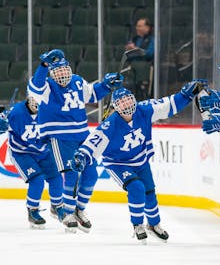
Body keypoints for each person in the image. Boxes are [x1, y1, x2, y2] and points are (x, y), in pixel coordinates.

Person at [71, 81, 207, 243]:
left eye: (128, 100)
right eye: (121, 102)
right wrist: (81, 156)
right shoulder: (109, 125)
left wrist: (186, 95)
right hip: (118, 164)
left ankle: (154, 225)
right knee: (136, 188)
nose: (126, 104)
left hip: (141, 161)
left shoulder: (144, 109)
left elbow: (168, 105)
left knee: (149, 193)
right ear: (116, 106)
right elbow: (92, 144)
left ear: (134, 100)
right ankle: (137, 225)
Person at [28, 49, 123, 232]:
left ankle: (79, 209)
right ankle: (67, 212)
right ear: (52, 73)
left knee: (91, 174)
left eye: (65, 70)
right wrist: (43, 66)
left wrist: (107, 85)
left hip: (81, 135)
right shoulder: (46, 86)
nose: (63, 75)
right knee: (71, 173)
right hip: (59, 137)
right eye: (58, 71)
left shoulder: (78, 81)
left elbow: (93, 94)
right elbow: (34, 88)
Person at [0, 96, 72, 230]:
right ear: (29, 98)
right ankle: (32, 211)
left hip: (44, 152)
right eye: (36, 98)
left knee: (56, 177)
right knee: (37, 180)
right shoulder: (16, 112)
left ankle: (57, 207)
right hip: (22, 153)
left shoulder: (51, 111)